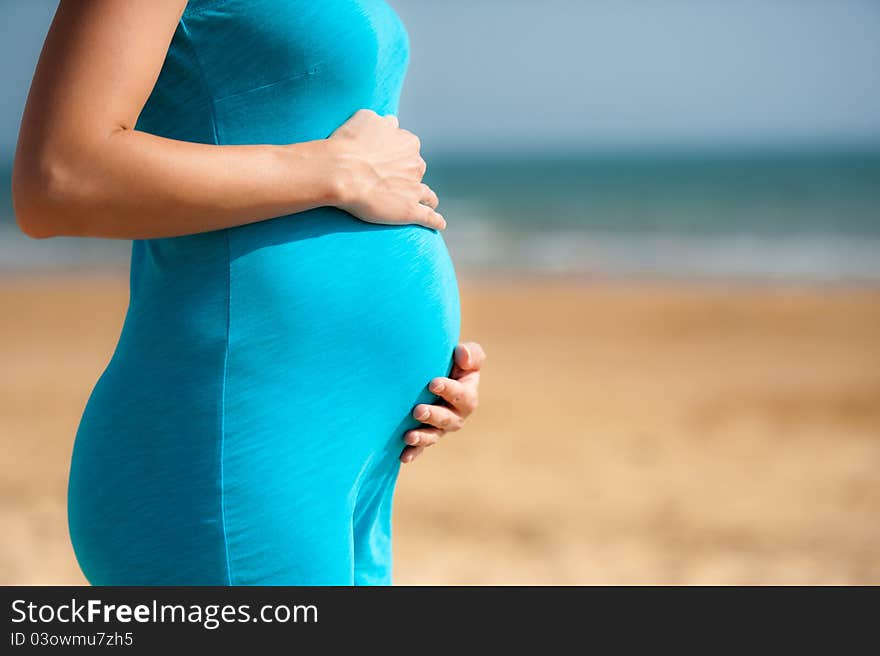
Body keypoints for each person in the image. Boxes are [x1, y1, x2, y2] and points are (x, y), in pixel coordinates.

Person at [12, 0, 484, 585]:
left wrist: (415, 370)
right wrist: (328, 171)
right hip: (232, 445)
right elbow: (58, 176)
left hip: (343, 453)